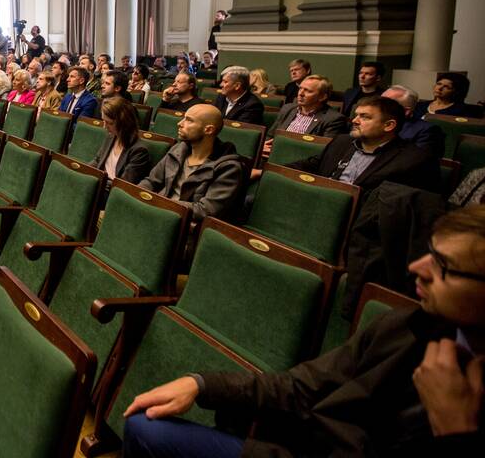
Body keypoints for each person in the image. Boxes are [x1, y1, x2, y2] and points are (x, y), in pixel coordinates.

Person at [121, 204, 485, 458]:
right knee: (146, 426)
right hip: (308, 448)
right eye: (429, 253)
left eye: (444, 266)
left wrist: (456, 435)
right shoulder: (406, 324)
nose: (416, 268)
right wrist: (202, 384)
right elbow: (303, 386)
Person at [286, 96, 441, 197]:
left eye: (365, 117)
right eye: (356, 115)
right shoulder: (342, 141)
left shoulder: (414, 160)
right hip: (321, 202)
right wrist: (269, 171)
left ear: (389, 125)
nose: (355, 121)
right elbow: (313, 164)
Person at [138, 104, 248, 222]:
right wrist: (136, 196)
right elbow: (151, 181)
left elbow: (205, 210)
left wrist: (159, 203)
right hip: (159, 211)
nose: (180, 123)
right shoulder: (178, 149)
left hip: (186, 226)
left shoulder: (229, 167)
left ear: (209, 130)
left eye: (189, 120)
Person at [94, 97, 151, 183]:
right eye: (103, 121)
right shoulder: (111, 137)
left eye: (110, 123)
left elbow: (123, 184)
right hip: (100, 183)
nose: (104, 126)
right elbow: (97, 161)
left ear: (124, 122)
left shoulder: (139, 151)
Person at [270, 74, 347, 137]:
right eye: (300, 89)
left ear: (322, 97)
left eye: (308, 91)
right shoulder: (287, 108)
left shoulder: (333, 119)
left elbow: (326, 151)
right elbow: (270, 135)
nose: (300, 94)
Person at [385, 85, 446, 160]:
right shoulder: (372, 124)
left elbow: (415, 162)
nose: (376, 107)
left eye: (385, 104)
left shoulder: (427, 131)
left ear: (406, 111)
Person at [417, 72, 483, 119]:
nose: (439, 88)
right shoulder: (420, 105)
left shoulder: (464, 110)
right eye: (439, 84)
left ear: (456, 91)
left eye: (447, 87)